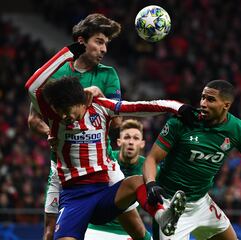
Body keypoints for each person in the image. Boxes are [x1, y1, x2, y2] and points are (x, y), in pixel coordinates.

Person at [25, 43, 195, 239]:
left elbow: (141, 106)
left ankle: (162, 215)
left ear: (81, 102)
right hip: (74, 197)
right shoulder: (55, 117)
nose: (64, 116)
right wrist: (69, 52)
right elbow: (32, 86)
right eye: (60, 112)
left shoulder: (102, 106)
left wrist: (178, 107)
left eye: (67, 111)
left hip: (104, 190)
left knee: (136, 182)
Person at [143, 80, 241, 240]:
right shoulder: (181, 122)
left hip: (201, 203)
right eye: (203, 97)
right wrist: (151, 184)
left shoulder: (237, 129)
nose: (203, 103)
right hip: (171, 205)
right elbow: (152, 158)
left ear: (226, 105)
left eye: (210, 100)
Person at [27, 13, 128, 240]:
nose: (104, 49)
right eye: (99, 42)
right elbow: (34, 120)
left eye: (106, 44)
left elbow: (118, 123)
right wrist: (50, 133)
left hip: (103, 165)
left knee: (133, 223)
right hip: (62, 167)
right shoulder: (57, 74)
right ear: (82, 41)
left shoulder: (108, 75)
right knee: (50, 231)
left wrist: (102, 96)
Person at [85, 119, 155, 239]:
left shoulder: (149, 169)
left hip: (128, 232)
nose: (131, 142)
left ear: (142, 143)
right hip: (96, 229)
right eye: (127, 137)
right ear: (119, 141)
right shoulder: (106, 160)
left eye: (136, 138)